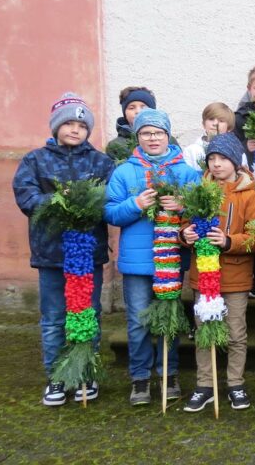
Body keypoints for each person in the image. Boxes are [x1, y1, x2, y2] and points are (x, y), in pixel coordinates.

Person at [13, 93, 114, 406]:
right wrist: (59, 202)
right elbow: (26, 197)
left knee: (87, 315)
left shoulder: (101, 162)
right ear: (56, 126)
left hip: (87, 255)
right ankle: (56, 377)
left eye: (81, 126)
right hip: (51, 254)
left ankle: (85, 372)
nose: (75, 129)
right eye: (69, 123)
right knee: (55, 318)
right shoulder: (35, 160)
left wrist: (88, 204)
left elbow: (110, 200)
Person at [104, 108, 201, 405]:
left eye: (158, 132)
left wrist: (183, 205)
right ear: (138, 137)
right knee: (138, 322)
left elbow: (203, 211)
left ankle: (169, 373)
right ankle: (140, 377)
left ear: (167, 135)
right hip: (136, 263)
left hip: (170, 259)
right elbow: (110, 212)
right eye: (146, 133)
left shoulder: (186, 172)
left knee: (169, 318)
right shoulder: (124, 172)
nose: (153, 138)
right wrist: (135, 204)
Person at [181, 133, 255, 411]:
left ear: (235, 161)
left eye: (223, 158)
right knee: (204, 332)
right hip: (203, 277)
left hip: (235, 278)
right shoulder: (198, 191)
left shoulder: (249, 195)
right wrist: (185, 235)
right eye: (212, 159)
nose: (216, 164)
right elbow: (184, 225)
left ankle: (235, 384)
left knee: (235, 333)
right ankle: (205, 385)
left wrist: (229, 241)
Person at [182, 102, 248, 172]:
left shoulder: (237, 151)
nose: (215, 123)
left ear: (229, 127)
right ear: (204, 124)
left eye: (221, 121)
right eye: (211, 119)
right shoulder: (191, 150)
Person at [106, 86, 157, 161]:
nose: (138, 111)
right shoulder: (116, 146)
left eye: (143, 107)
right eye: (131, 108)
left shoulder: (167, 140)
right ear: (125, 113)